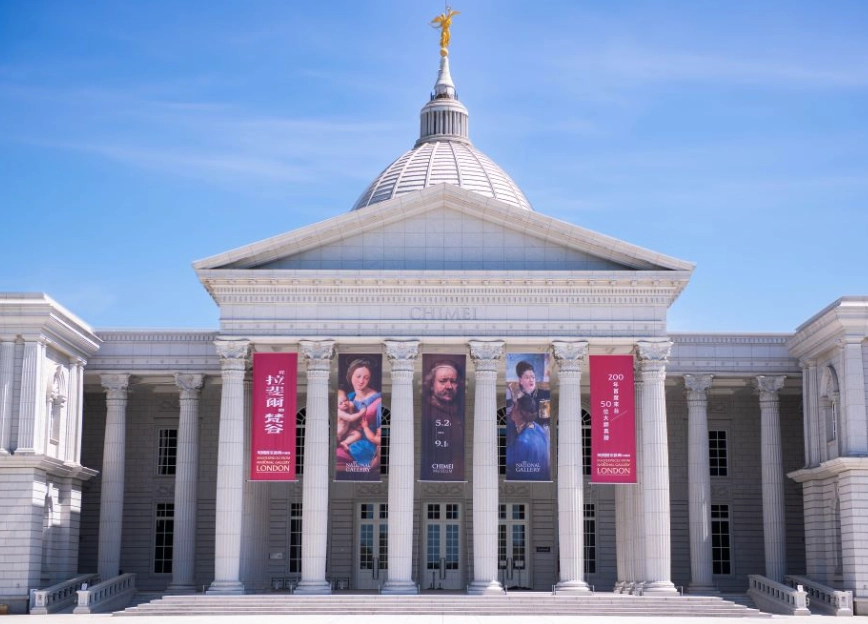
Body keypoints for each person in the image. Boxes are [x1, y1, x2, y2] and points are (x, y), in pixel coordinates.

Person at [335, 359, 382, 476]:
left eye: (366, 377)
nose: (361, 381)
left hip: (367, 442)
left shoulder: (378, 400)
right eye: (358, 376)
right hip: (348, 437)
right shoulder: (348, 397)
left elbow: (381, 431)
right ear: (350, 376)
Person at [420, 358, 464, 480]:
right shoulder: (426, 411)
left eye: (453, 381)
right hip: (432, 473)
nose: (449, 386)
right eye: (443, 381)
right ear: (431, 385)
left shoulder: (460, 411)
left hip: (457, 473)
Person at [506, 393, 551, 480]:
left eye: (514, 407)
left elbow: (507, 462)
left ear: (521, 413)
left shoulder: (522, 441)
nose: (511, 410)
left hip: (526, 483)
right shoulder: (538, 429)